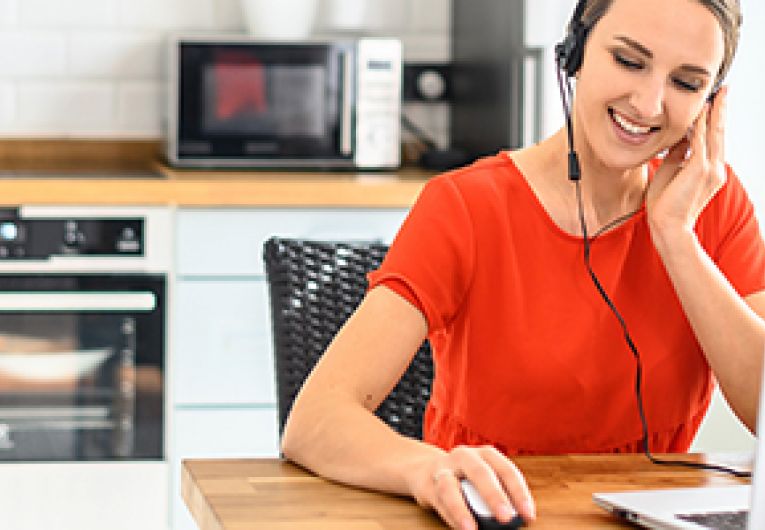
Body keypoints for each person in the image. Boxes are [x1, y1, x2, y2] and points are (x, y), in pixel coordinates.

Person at [280, 0, 765, 529]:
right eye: (629, 61)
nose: (649, 104)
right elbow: (313, 422)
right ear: (574, 52)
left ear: (712, 103)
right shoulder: (466, 207)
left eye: (687, 83)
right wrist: (428, 469)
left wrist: (675, 237)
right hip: (494, 521)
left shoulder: (710, 206)